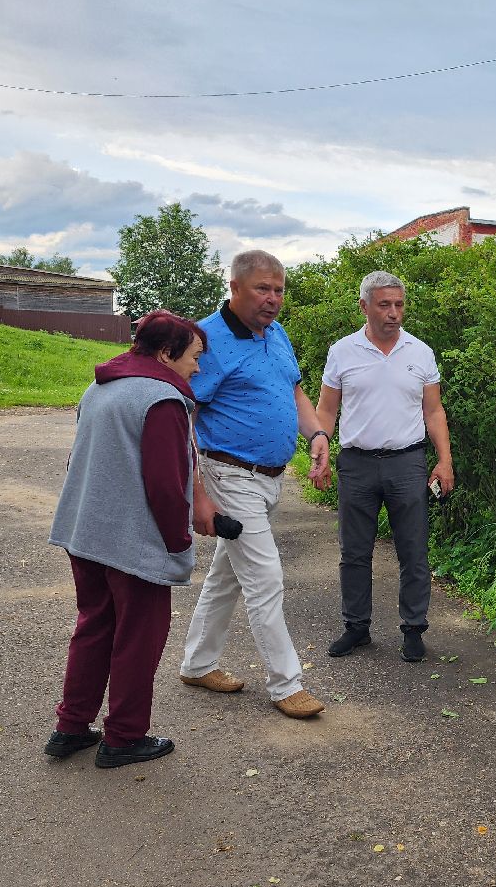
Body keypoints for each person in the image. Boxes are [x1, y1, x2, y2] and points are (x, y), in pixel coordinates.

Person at [47, 310, 207, 768]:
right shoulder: (161, 399)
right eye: (194, 357)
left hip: (86, 533)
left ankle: (71, 727)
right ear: (165, 354)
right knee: (139, 638)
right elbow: (165, 483)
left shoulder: (99, 388)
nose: (197, 368)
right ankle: (123, 737)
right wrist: (178, 541)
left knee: (94, 627)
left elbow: (78, 457)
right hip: (133, 542)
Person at [177, 250, 333, 719]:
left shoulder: (277, 333)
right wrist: (197, 493)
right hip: (228, 474)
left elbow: (293, 390)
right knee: (265, 578)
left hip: (269, 479)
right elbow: (185, 413)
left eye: (279, 289)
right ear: (235, 287)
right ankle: (287, 684)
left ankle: (197, 663)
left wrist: (318, 434)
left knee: (227, 577)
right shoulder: (207, 341)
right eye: (263, 289)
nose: (273, 299)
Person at [315, 271, 454, 663]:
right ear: (364, 306)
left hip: (407, 463)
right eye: (384, 304)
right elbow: (327, 408)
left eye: (399, 304)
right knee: (354, 552)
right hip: (357, 464)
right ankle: (356, 627)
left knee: (414, 550)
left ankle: (413, 629)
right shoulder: (342, 351)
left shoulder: (420, 352)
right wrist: (320, 447)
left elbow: (433, 410)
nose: (394, 313)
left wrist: (444, 460)